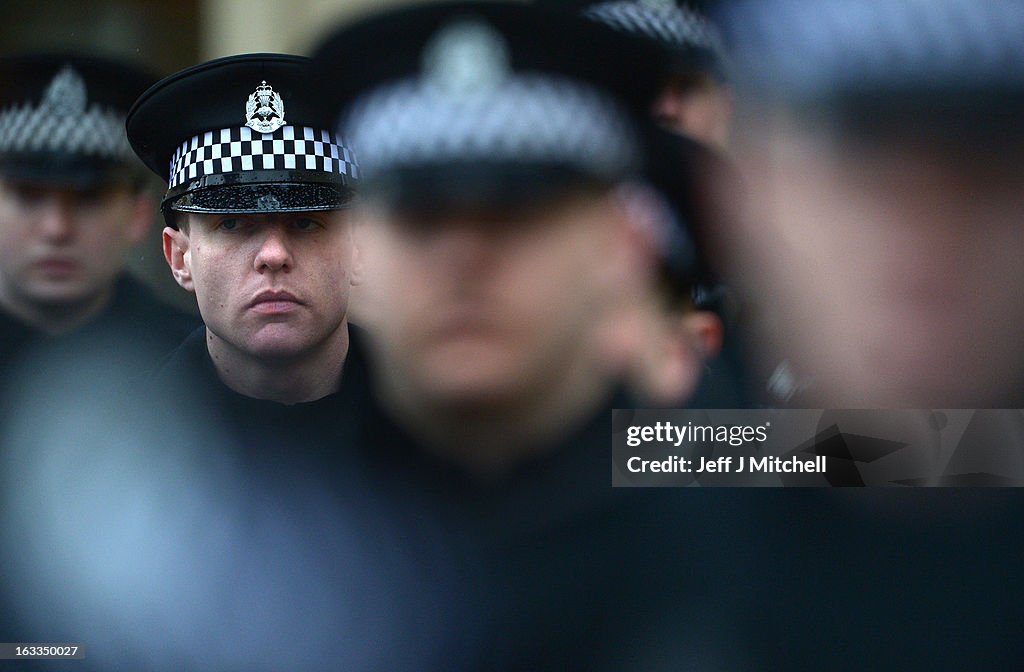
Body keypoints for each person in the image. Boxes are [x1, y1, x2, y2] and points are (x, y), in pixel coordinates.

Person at [312, 4, 748, 669]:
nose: (464, 257)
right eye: (422, 214)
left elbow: (929, 451)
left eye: (516, 209)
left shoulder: (729, 479)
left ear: (620, 244)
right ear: (355, 250)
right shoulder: (272, 516)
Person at [0, 53, 199, 377]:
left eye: (88, 199)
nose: (56, 228)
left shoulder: (193, 365)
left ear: (138, 215)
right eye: (30, 196)